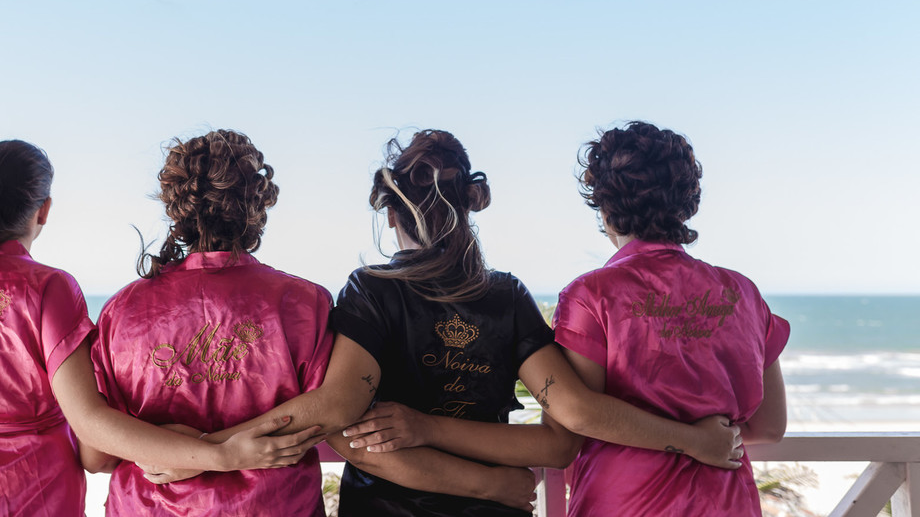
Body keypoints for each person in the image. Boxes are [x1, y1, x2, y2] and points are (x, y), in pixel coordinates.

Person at [148, 130, 744, 516]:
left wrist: (203, 450)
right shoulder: (506, 297)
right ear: (468, 207)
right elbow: (560, 441)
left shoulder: (371, 291)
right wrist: (487, 484)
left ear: (390, 208)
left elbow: (338, 424)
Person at [0, 139, 318, 517]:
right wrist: (216, 452)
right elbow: (91, 425)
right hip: (35, 499)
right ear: (44, 209)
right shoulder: (47, 288)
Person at [85, 130, 336, 516]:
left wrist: (188, 449)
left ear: (176, 205)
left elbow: (98, 455)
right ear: (257, 202)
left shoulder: (120, 312)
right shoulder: (305, 302)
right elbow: (323, 420)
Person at [551, 121, 790, 515]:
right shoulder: (742, 293)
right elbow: (769, 428)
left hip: (624, 502)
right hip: (724, 503)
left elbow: (580, 419)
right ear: (685, 203)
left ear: (605, 207)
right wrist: (703, 436)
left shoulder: (591, 295)